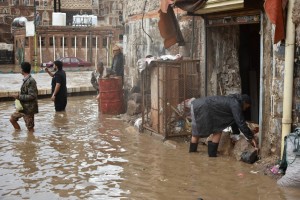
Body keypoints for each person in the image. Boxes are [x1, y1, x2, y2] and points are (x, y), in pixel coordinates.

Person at [189, 94, 257, 157]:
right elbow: (240, 122)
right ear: (245, 102)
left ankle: (192, 155)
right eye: (246, 107)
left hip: (196, 105)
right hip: (202, 108)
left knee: (196, 132)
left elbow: (234, 120)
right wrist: (251, 137)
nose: (245, 109)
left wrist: (236, 134)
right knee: (217, 130)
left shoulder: (232, 100)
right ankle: (212, 156)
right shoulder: (235, 104)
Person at [10, 62, 38, 131]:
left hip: (29, 109)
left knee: (30, 128)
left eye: (20, 68)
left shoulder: (31, 81)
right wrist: (19, 96)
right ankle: (18, 133)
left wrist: (19, 96)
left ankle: (31, 140)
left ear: (22, 70)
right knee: (12, 119)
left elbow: (32, 96)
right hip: (22, 107)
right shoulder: (26, 80)